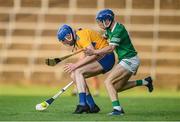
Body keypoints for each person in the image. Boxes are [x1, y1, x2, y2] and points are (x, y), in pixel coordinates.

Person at [85, 9, 154, 115]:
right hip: (127, 59)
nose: (99, 24)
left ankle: (117, 109)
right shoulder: (109, 30)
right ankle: (146, 82)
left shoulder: (118, 30)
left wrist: (94, 52)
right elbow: (102, 39)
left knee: (108, 82)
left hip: (129, 59)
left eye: (100, 21)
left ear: (107, 20)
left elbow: (110, 48)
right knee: (116, 87)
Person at [57, 25, 115, 114]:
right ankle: (92, 106)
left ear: (69, 36)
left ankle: (82, 104)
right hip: (100, 58)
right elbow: (86, 56)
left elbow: (93, 54)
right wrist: (76, 66)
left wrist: (76, 65)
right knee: (74, 74)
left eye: (64, 41)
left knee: (78, 71)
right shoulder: (78, 39)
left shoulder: (81, 36)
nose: (65, 44)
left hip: (106, 57)